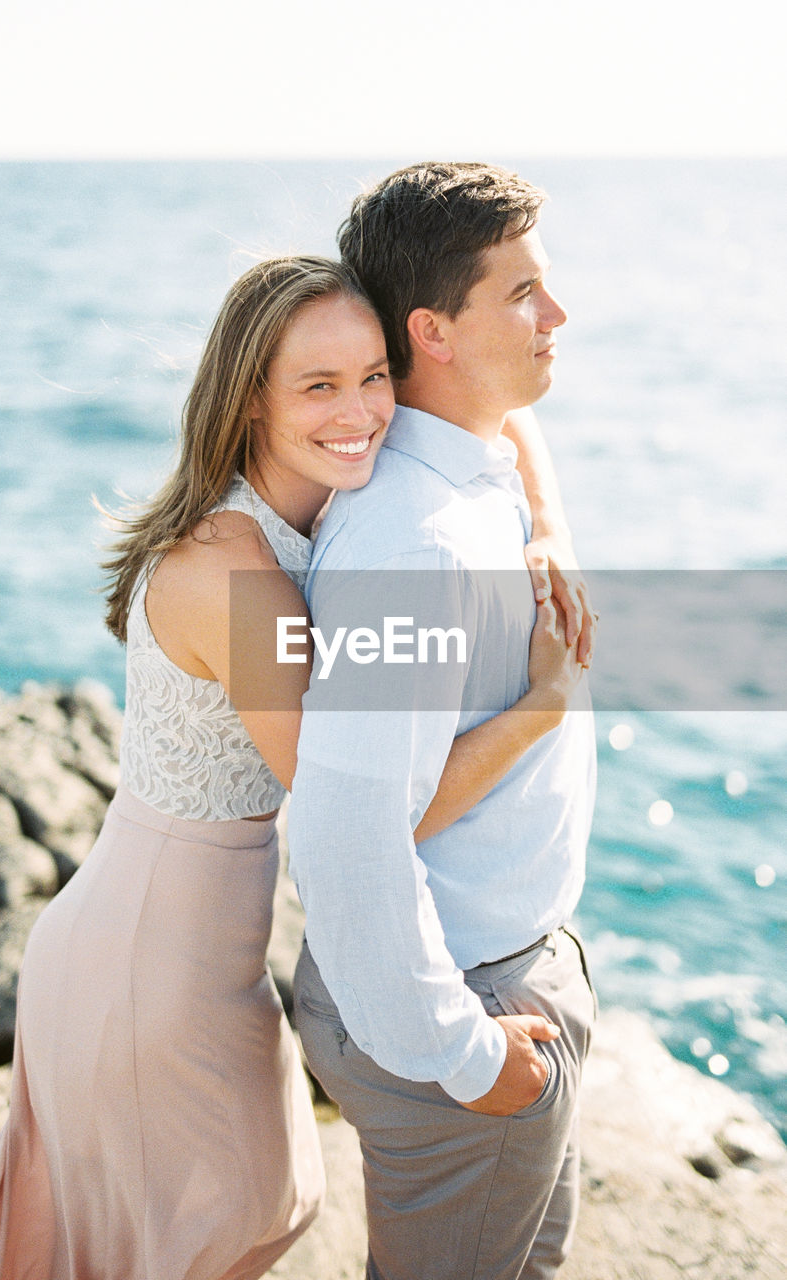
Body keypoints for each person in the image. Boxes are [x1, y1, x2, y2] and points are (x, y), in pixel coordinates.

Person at [0, 254, 585, 1280]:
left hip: (203, 941)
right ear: (249, 401)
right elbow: (378, 814)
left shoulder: (325, 483)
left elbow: (502, 416)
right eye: (319, 387)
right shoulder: (241, 576)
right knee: (215, 1223)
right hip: (146, 959)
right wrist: (542, 708)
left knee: (230, 1212)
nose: (366, 411)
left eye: (376, 376)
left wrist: (543, 528)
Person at [289, 162, 598, 1280]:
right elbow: (344, 836)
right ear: (434, 331)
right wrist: (463, 1055)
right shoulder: (413, 548)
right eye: (522, 293)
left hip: (506, 960)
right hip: (455, 997)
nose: (556, 315)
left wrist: (550, 524)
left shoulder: (473, 453)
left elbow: (517, 438)